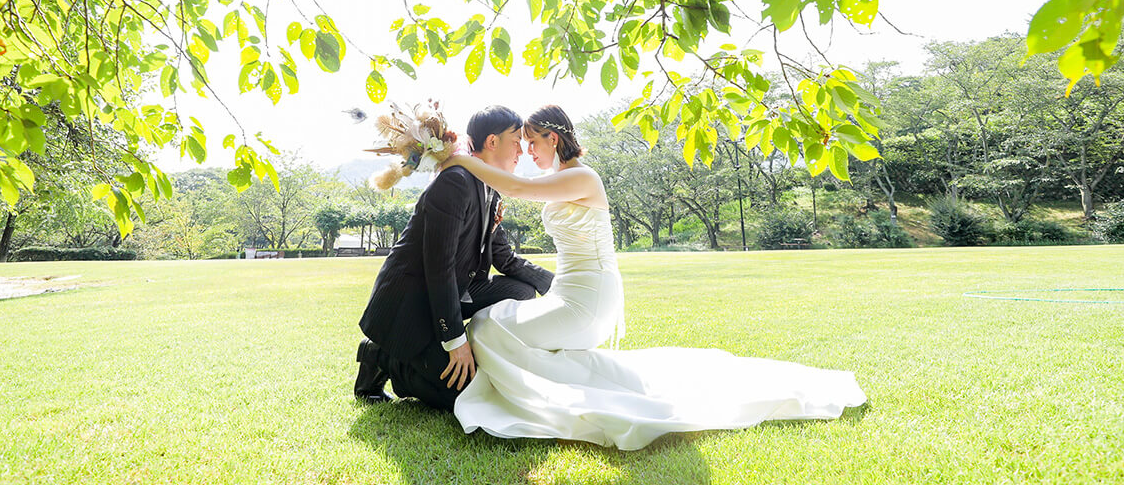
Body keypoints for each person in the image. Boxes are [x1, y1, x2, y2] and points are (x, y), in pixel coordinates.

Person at [441, 105, 867, 450]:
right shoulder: (560, 178)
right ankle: (554, 383)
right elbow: (515, 189)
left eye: (532, 143)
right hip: (575, 294)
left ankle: (537, 399)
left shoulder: (583, 177)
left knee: (484, 326)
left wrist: (458, 158)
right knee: (492, 322)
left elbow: (515, 188)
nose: (528, 153)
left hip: (586, 300)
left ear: (554, 138)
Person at [355, 105, 554, 410]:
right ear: (491, 142)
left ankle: (476, 349)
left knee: (522, 291)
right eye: (516, 141)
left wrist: (557, 285)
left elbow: (504, 258)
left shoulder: (489, 187)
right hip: (412, 302)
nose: (521, 152)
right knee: (467, 394)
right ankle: (382, 355)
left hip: (454, 291)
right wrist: (455, 341)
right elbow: (440, 269)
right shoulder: (456, 182)